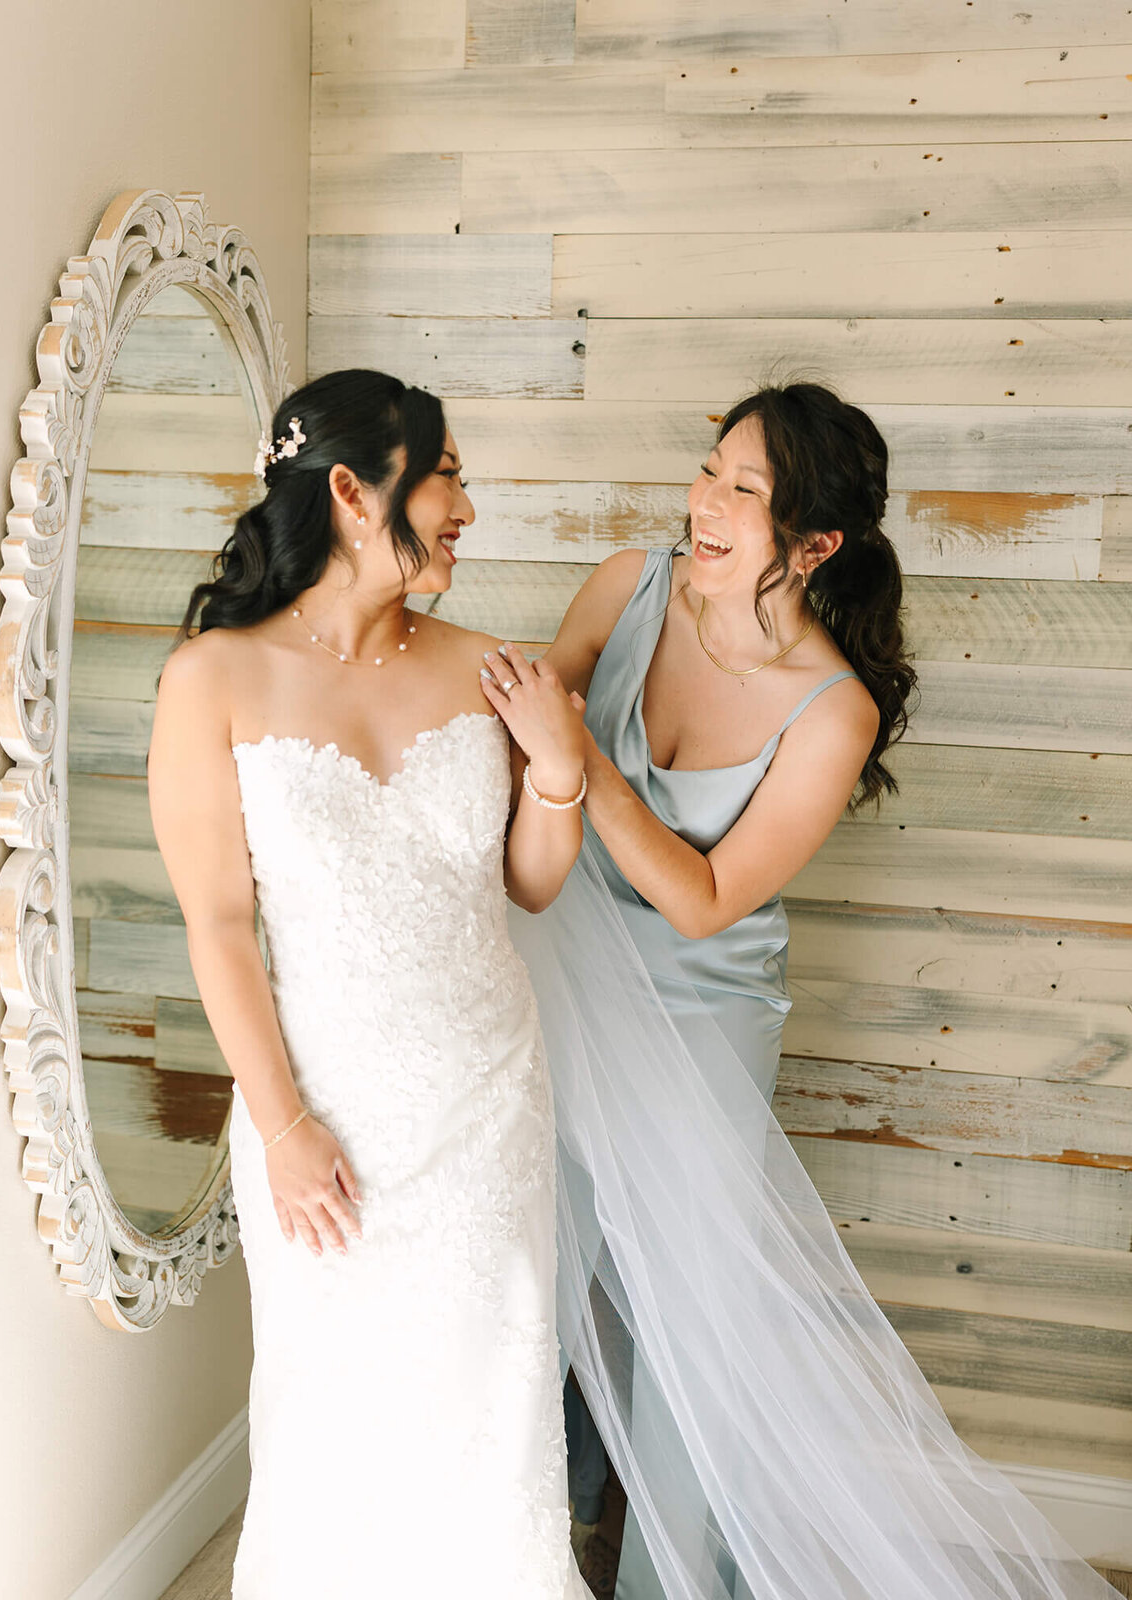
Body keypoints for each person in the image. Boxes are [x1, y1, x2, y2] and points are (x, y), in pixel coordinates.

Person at [486, 384, 1119, 1600]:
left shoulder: (834, 713)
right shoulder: (627, 587)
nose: (704, 504)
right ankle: (526, 1554)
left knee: (694, 1325)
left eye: (745, 492)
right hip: (560, 974)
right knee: (538, 1269)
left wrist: (576, 754)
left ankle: (668, 1580)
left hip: (702, 1014)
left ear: (815, 543)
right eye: (709, 471)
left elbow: (705, 896)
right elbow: (516, 740)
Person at [147, 369, 592, 1599]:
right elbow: (221, 924)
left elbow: (530, 885)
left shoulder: (485, 669)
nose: (466, 504)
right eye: (444, 473)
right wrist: (283, 1125)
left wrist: (559, 772)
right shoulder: (213, 680)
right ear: (352, 491)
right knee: (332, 1414)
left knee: (490, 1413)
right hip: (323, 1112)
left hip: (491, 1099)